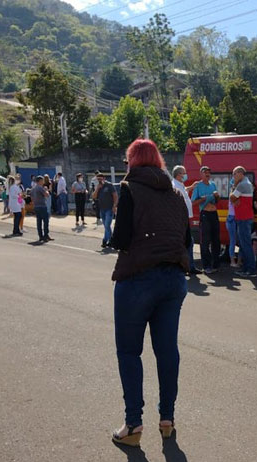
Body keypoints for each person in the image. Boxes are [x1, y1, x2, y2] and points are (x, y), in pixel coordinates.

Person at [108, 138, 189, 446]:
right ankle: (167, 418)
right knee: (167, 350)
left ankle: (133, 424)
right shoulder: (176, 194)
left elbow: (120, 240)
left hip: (138, 277)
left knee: (130, 351)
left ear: (132, 161)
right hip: (174, 279)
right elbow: (184, 238)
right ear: (159, 162)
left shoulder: (129, 190)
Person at [190, 166, 220, 273]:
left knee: (216, 240)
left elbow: (217, 201)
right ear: (201, 174)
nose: (207, 174)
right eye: (205, 172)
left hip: (214, 214)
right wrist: (202, 199)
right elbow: (193, 202)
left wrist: (217, 196)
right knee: (205, 241)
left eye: (209, 172)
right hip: (205, 215)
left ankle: (215, 264)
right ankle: (206, 266)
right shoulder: (198, 186)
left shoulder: (213, 184)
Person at [171, 165, 200, 274]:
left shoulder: (180, 184)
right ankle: (186, 267)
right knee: (187, 242)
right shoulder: (174, 186)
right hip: (180, 219)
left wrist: (191, 187)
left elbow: (184, 190)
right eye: (184, 173)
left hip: (184, 218)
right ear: (178, 175)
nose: (185, 175)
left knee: (188, 242)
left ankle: (188, 266)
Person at [230, 166, 257, 278]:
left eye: (234, 174)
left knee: (246, 244)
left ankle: (250, 270)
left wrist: (234, 193)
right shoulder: (246, 183)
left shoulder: (242, 185)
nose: (233, 176)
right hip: (244, 218)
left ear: (241, 173)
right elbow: (234, 200)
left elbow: (231, 198)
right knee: (244, 244)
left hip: (244, 219)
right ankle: (246, 268)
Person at [93, 172, 118, 248]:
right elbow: (94, 196)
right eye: (98, 179)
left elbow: (115, 196)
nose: (99, 181)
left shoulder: (109, 185)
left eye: (100, 179)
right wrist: (97, 188)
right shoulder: (98, 187)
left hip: (109, 209)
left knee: (107, 225)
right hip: (102, 209)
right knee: (106, 226)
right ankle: (108, 241)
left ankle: (106, 241)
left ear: (104, 178)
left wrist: (114, 206)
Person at [30, 175, 53, 242]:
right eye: (42, 180)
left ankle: (40, 236)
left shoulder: (33, 188)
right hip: (42, 206)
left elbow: (31, 198)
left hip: (36, 206)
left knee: (39, 222)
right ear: (40, 181)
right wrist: (46, 190)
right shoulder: (40, 188)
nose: (43, 182)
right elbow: (47, 195)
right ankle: (46, 235)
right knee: (45, 221)